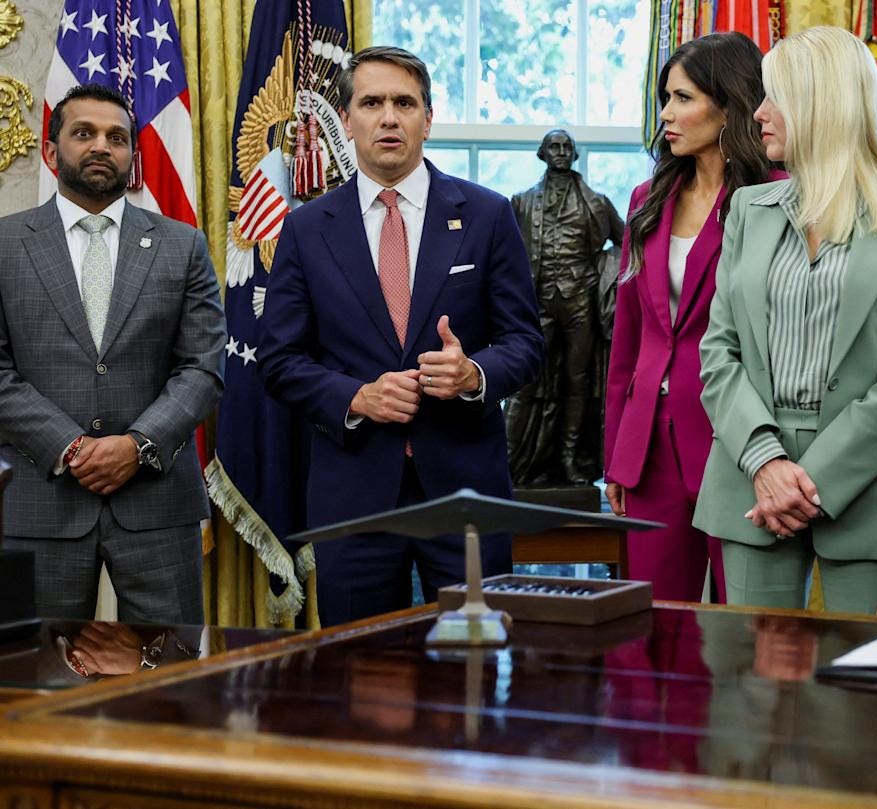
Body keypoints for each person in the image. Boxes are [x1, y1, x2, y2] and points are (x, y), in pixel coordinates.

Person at [258, 46, 543, 626]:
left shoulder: (487, 215)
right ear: (345, 119)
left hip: (466, 490)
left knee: (475, 675)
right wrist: (355, 397)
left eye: (404, 103)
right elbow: (280, 359)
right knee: (361, 681)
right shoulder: (307, 229)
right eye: (372, 103)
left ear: (427, 118)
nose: (389, 117)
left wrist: (474, 375)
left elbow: (526, 342)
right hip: (353, 496)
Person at [693, 27, 877, 612]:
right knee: (752, 692)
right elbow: (719, 351)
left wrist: (810, 485)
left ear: (822, 103)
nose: (758, 114)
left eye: (774, 97)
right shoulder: (745, 210)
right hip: (750, 477)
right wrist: (766, 463)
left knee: (861, 697)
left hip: (868, 486)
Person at [0, 84, 225, 623]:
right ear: (52, 152)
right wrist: (71, 447)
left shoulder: (183, 244)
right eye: (84, 133)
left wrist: (138, 445)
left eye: (117, 137)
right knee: (34, 687)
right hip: (39, 506)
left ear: (133, 155)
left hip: (157, 505)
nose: (102, 146)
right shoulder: (5, 245)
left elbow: (203, 367)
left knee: (171, 690)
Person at [604, 32, 778, 602]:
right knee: (648, 625)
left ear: (728, 105)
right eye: (665, 98)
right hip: (647, 448)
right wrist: (616, 458)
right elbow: (627, 339)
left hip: (737, 444)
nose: (666, 115)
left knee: (746, 627)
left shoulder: (778, 198)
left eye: (682, 98)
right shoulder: (645, 197)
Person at [507, 129, 624, 486]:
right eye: (554, 146)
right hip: (537, 304)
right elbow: (502, 255)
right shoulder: (522, 202)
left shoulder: (597, 203)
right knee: (525, 381)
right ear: (542, 154)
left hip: (580, 303)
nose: (560, 152)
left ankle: (570, 459)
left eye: (566, 147)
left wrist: (605, 279)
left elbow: (629, 245)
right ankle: (511, 457)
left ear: (574, 155)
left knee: (578, 383)